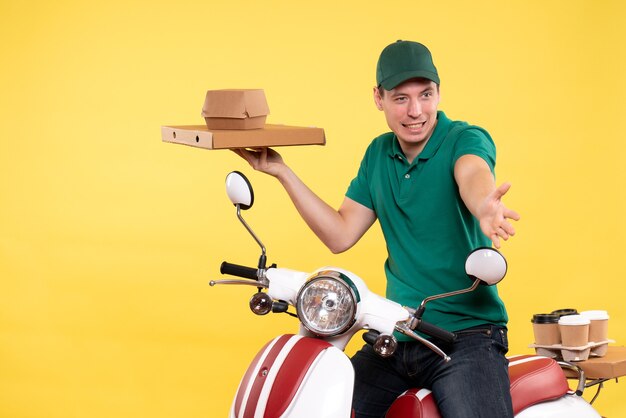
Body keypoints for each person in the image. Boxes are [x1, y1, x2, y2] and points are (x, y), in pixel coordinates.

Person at [234, 40, 520, 418]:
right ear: (378, 98)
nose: (416, 111)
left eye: (426, 95)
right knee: (327, 403)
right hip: (398, 333)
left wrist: (485, 205)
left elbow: (473, 174)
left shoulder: (463, 139)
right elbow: (339, 235)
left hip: (467, 338)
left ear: (439, 93)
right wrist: (283, 172)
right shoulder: (378, 154)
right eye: (401, 98)